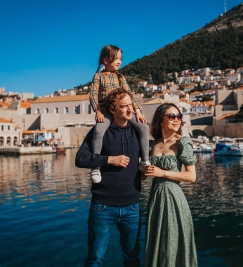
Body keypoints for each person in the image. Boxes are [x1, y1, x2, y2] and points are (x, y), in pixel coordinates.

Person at [75, 88, 142, 267]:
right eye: (124, 106)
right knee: (95, 260)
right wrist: (109, 160)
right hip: (102, 207)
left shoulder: (137, 132)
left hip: (133, 207)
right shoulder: (100, 131)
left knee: (132, 259)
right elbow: (80, 159)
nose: (130, 110)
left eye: (130, 105)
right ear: (112, 109)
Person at [143, 103, 198, 267]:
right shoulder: (151, 145)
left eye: (179, 116)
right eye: (172, 116)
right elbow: (143, 178)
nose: (177, 120)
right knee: (158, 243)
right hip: (156, 198)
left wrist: (163, 173)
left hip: (174, 199)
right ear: (160, 120)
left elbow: (191, 176)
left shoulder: (182, 142)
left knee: (173, 243)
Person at [89, 44, 151, 183]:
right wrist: (98, 111)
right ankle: (96, 167)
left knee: (143, 126)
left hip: (124, 111)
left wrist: (138, 111)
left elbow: (130, 95)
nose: (119, 62)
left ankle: (145, 161)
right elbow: (93, 95)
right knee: (99, 131)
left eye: (120, 59)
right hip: (105, 112)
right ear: (106, 60)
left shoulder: (120, 77)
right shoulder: (98, 76)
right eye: (116, 59)